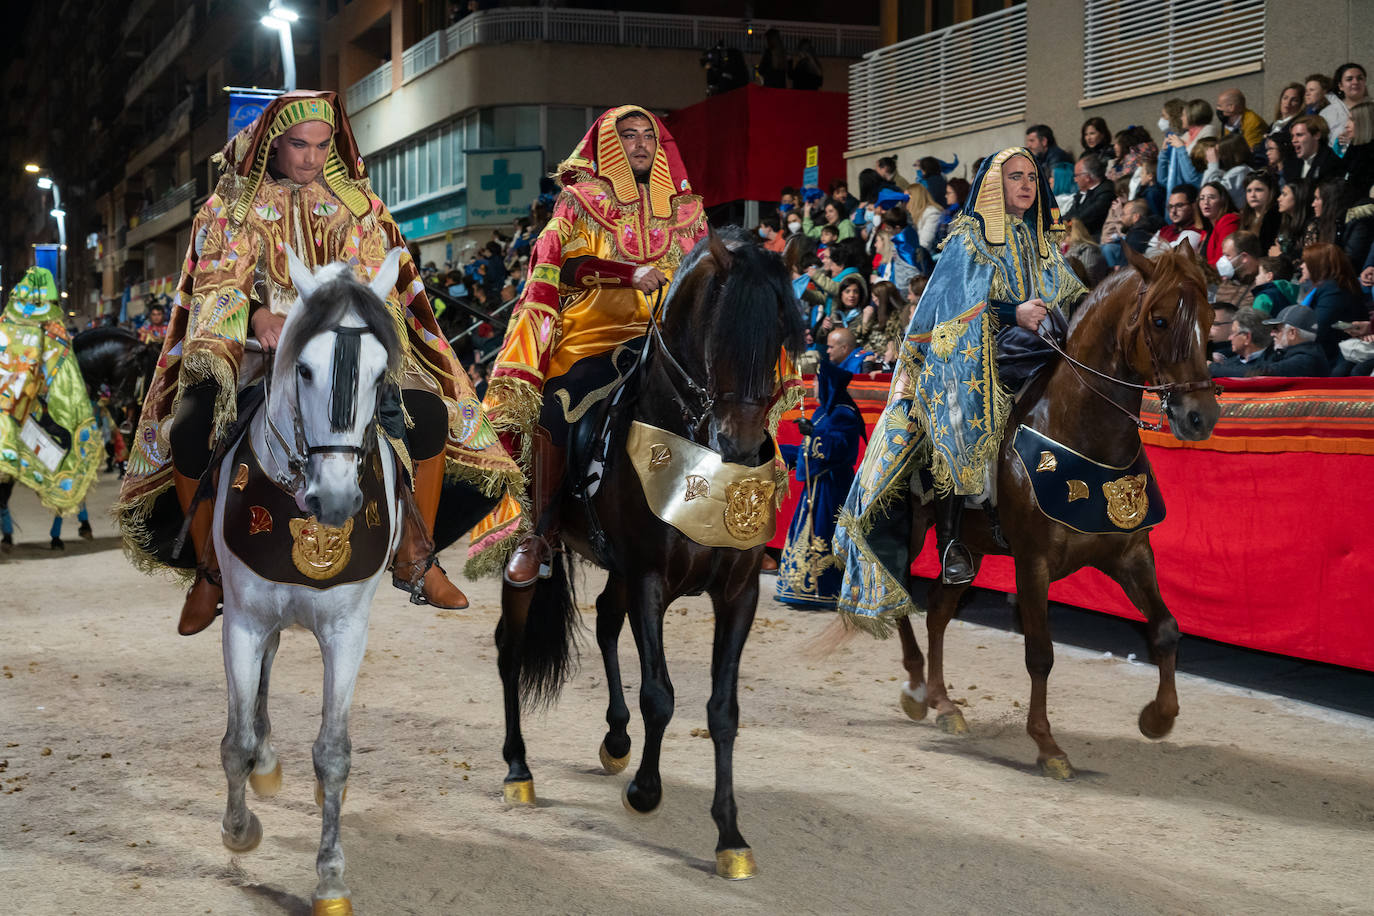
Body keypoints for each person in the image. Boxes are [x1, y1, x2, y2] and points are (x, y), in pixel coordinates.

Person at [115, 91, 520, 635]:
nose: (309, 157)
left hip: (338, 346)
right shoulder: (231, 207)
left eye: (321, 145)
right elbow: (218, 279)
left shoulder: (359, 206)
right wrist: (257, 316)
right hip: (253, 352)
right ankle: (210, 574)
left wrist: (335, 328)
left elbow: (374, 281)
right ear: (273, 145)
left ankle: (416, 556)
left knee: (428, 416)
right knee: (189, 429)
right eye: (298, 145)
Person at [469, 105, 801, 585]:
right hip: (594, 335)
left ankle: (741, 528)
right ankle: (539, 532)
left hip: (670, 337)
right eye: (629, 136)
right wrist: (625, 274)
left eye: (649, 135)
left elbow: (713, 270)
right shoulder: (579, 201)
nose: (642, 144)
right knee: (559, 403)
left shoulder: (688, 210)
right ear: (610, 145)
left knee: (735, 398)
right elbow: (555, 266)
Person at [837, 148, 1086, 589]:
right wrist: (1014, 315)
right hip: (974, 351)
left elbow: (1061, 298)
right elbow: (950, 308)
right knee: (964, 410)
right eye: (1015, 177)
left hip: (1040, 344)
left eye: (1032, 176)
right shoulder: (969, 239)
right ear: (994, 184)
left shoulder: (1043, 239)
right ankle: (951, 541)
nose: (1027, 184)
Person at [0, 266, 103, 550]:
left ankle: (10, 533)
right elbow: (67, 383)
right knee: (67, 463)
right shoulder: (57, 331)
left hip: (12, 412)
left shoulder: (6, 325)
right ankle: (67, 530)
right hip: (46, 412)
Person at [774, 359, 864, 610]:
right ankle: (797, 586)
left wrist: (813, 432)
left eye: (816, 381)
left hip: (833, 487)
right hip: (816, 486)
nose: (812, 385)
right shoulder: (823, 410)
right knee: (805, 531)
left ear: (827, 384)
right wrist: (781, 453)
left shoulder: (845, 413)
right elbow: (807, 448)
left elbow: (841, 448)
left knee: (823, 531)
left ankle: (822, 590)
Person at [1298, 241, 1367, 363]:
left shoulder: (1334, 289)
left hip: (1331, 356)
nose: (1301, 266)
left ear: (1318, 264)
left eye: (1306, 262)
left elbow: (1319, 327)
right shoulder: (1330, 286)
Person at [1259, 305, 1330, 376]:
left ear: (1292, 333)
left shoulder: (1304, 361)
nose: (1272, 334)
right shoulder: (1306, 355)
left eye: (1276, 329)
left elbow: (1262, 372)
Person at [1210, 306, 1273, 377]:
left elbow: (1252, 373)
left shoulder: (1274, 362)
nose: (1230, 338)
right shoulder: (1228, 364)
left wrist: (1211, 368)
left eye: (1233, 333)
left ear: (1247, 338)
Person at [1063, 153, 1114, 240]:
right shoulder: (1082, 192)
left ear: (1087, 177)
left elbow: (1084, 218)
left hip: (1094, 237)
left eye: (1076, 176)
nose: (1075, 180)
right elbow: (1071, 212)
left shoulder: (1106, 193)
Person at [1147, 185, 1206, 257]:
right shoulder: (1164, 230)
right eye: (1171, 206)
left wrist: (1161, 247)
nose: (1173, 211)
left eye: (1179, 205)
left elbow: (1176, 257)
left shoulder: (1197, 231)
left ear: (1193, 206)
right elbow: (1148, 254)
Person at [1284, 116, 1341, 184]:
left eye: (1299, 135)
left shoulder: (1330, 163)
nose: (1293, 140)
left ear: (1317, 135)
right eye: (1292, 136)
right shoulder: (1291, 162)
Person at [1198, 181, 1240, 266]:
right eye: (1202, 198)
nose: (1206, 202)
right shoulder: (1206, 230)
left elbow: (1224, 259)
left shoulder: (1228, 221)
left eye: (1211, 197)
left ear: (1223, 201)